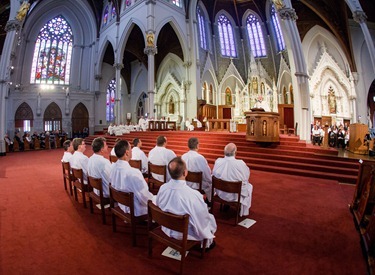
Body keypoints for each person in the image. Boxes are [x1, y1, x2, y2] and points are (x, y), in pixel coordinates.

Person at [156, 157, 217, 249]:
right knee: (210, 219)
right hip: (184, 233)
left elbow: (158, 204)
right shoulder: (193, 195)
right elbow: (202, 219)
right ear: (185, 173)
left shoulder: (163, 188)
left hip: (166, 227)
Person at [110, 140, 154, 217]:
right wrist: (155, 200)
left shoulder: (112, 167)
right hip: (134, 209)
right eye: (130, 149)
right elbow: (144, 198)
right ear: (127, 153)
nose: (131, 151)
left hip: (121, 204)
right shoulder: (133, 173)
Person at [212, 143, 253, 217]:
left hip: (220, 192)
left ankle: (226, 204)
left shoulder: (218, 161)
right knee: (249, 186)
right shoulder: (240, 164)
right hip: (235, 194)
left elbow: (214, 174)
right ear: (235, 153)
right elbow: (246, 176)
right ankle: (241, 209)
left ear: (224, 152)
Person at [181, 137, 212, 201]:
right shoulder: (200, 158)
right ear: (197, 145)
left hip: (186, 183)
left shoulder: (183, 156)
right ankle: (209, 202)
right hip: (198, 185)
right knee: (211, 184)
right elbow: (207, 174)